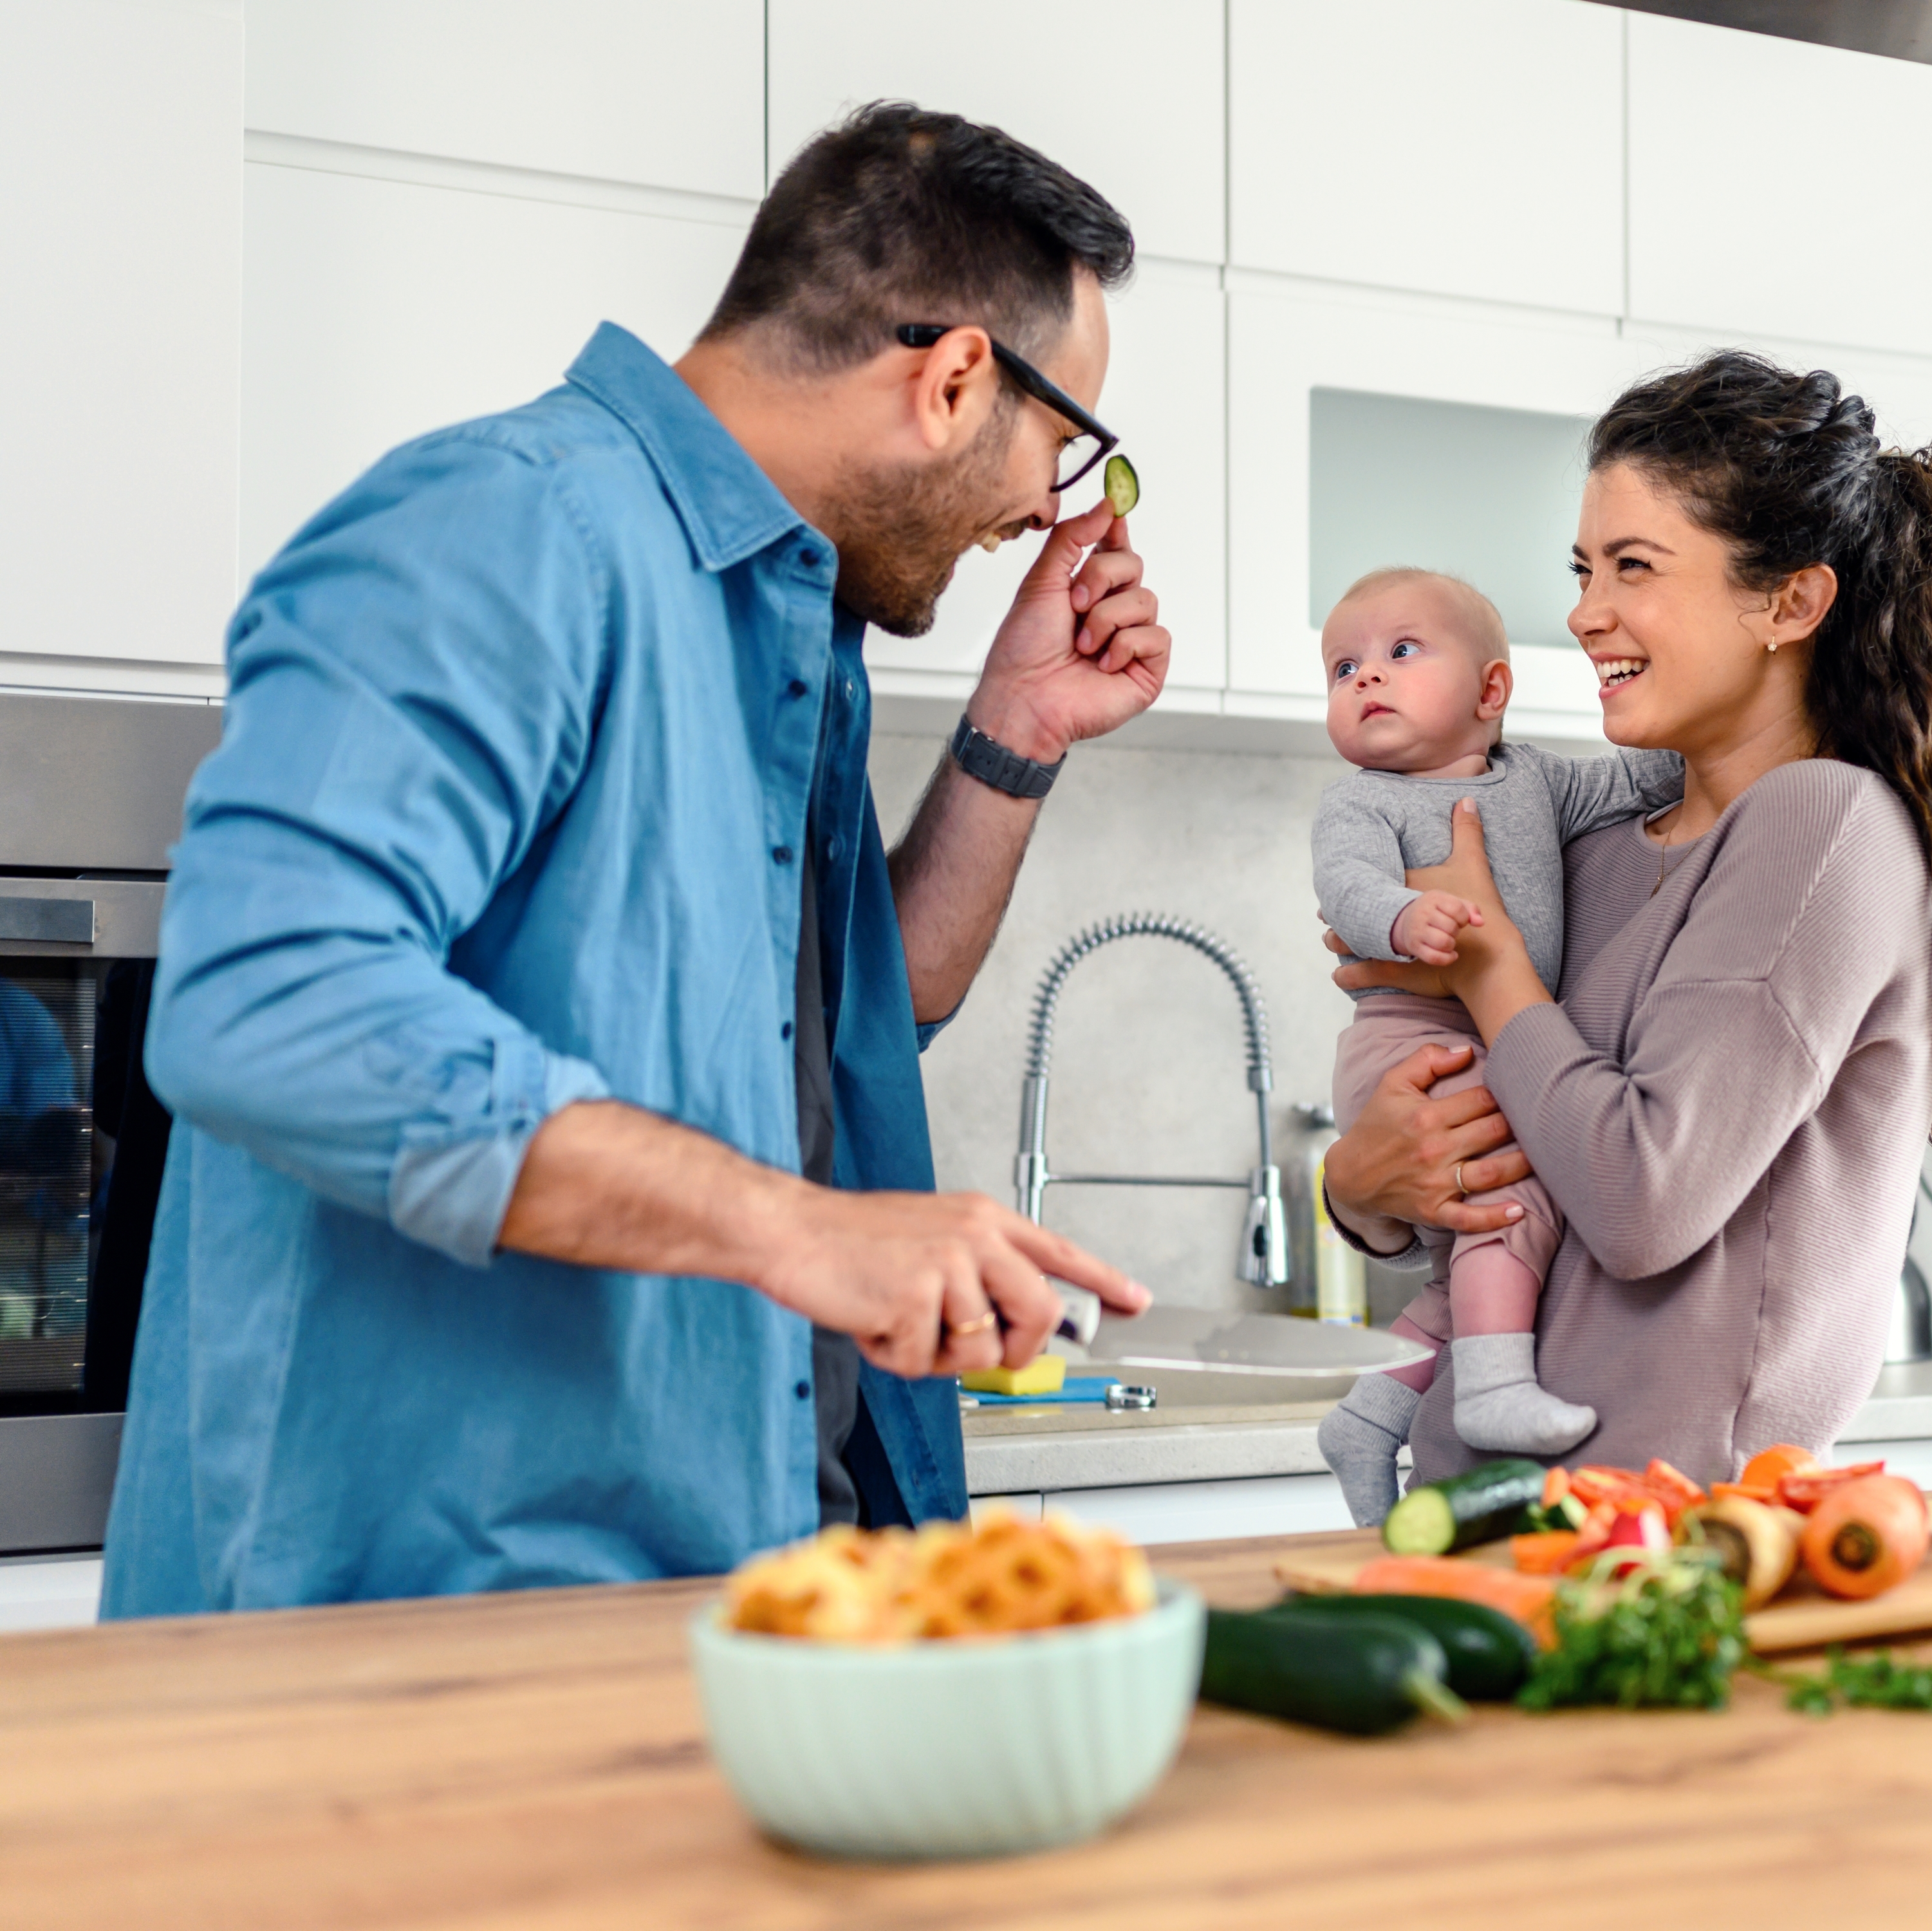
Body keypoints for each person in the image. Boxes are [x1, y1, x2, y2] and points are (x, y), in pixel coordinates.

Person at [101, 104, 1166, 1616]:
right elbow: (264, 1005)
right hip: (426, 1635)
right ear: (952, 381)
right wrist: (804, 1235)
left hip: (728, 1596)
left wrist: (1017, 729)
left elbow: (858, 1028)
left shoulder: (790, 621)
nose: (1035, 510)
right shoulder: (503, 526)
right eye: (1061, 447)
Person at [1321, 350, 1932, 1489]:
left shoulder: (1822, 828)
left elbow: (1638, 1198)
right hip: (1482, 1505)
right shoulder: (1590, 849)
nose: (1583, 611)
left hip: (1669, 1536)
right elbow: (1509, 1187)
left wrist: (1494, 973)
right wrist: (1361, 1189)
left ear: (1791, 602)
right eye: (1582, 567)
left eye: (1634, 567)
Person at [1305, 568, 1681, 1512]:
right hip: (1411, 1041)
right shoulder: (1363, 800)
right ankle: (1495, 1391)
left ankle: (1370, 1416)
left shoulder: (1537, 781)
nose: (1364, 680)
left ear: (1491, 691)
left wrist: (1719, 739)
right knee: (1510, 1198)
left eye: (1399, 653)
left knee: (1483, 1243)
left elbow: (1640, 780)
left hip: (1487, 1041)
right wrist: (1404, 918)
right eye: (1342, 667)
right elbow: (1344, 888)